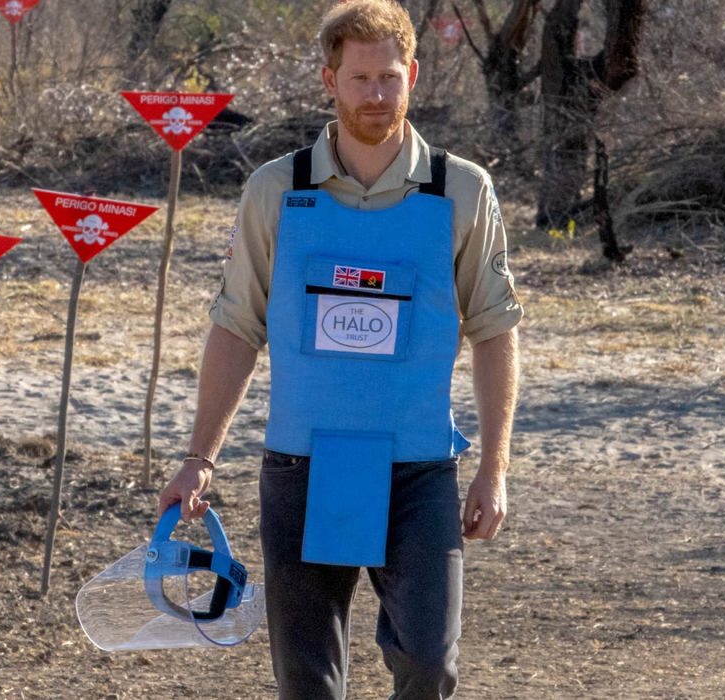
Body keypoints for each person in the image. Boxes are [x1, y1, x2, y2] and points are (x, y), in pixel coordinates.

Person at [156, 1, 523, 698]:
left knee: (428, 665)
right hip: (301, 466)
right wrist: (198, 459)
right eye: (360, 79)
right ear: (329, 79)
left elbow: (496, 330)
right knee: (308, 681)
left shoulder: (462, 190)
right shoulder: (277, 189)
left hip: (418, 469)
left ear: (413, 74)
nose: (377, 95)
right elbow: (236, 327)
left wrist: (495, 470)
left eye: (390, 77)